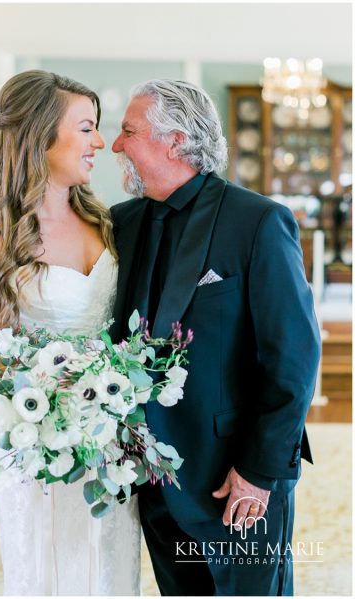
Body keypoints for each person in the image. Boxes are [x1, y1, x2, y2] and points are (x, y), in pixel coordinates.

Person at [108, 79, 320, 595]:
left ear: (175, 140)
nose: (115, 145)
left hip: (234, 478)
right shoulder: (121, 222)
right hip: (150, 479)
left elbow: (293, 358)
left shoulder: (259, 222)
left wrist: (258, 471)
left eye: (128, 131)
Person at [0, 70, 140, 595]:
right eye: (86, 128)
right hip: (38, 444)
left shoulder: (106, 222)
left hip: (110, 441)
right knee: (49, 571)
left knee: (108, 567)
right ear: (41, 135)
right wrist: (17, 417)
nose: (100, 143)